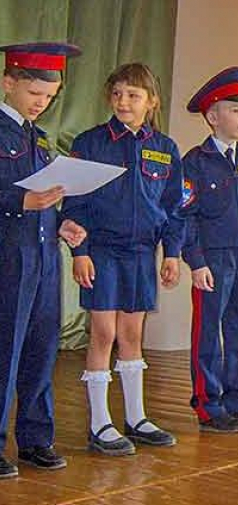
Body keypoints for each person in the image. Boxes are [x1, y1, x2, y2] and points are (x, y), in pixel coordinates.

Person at [66, 63, 185, 456]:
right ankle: (100, 423)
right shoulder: (90, 142)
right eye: (117, 93)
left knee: (133, 336)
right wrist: (79, 252)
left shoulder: (165, 149)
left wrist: (173, 253)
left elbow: (173, 208)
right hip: (101, 250)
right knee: (103, 334)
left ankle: (136, 417)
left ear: (151, 102)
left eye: (133, 95)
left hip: (140, 254)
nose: (123, 102)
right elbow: (75, 203)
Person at [0, 42, 87, 478]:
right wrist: (21, 201)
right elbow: (19, 195)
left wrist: (59, 225)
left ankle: (35, 439)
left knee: (41, 349)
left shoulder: (38, 137)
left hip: (42, 256)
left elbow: (45, 194)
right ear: (8, 82)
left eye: (49, 98)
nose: (41, 103)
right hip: (7, 258)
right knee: (4, 350)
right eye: (35, 92)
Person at [180, 67, 238, 433]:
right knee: (208, 332)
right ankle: (208, 404)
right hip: (214, 258)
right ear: (212, 116)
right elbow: (185, 214)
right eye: (235, 110)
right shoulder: (195, 162)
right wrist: (196, 260)